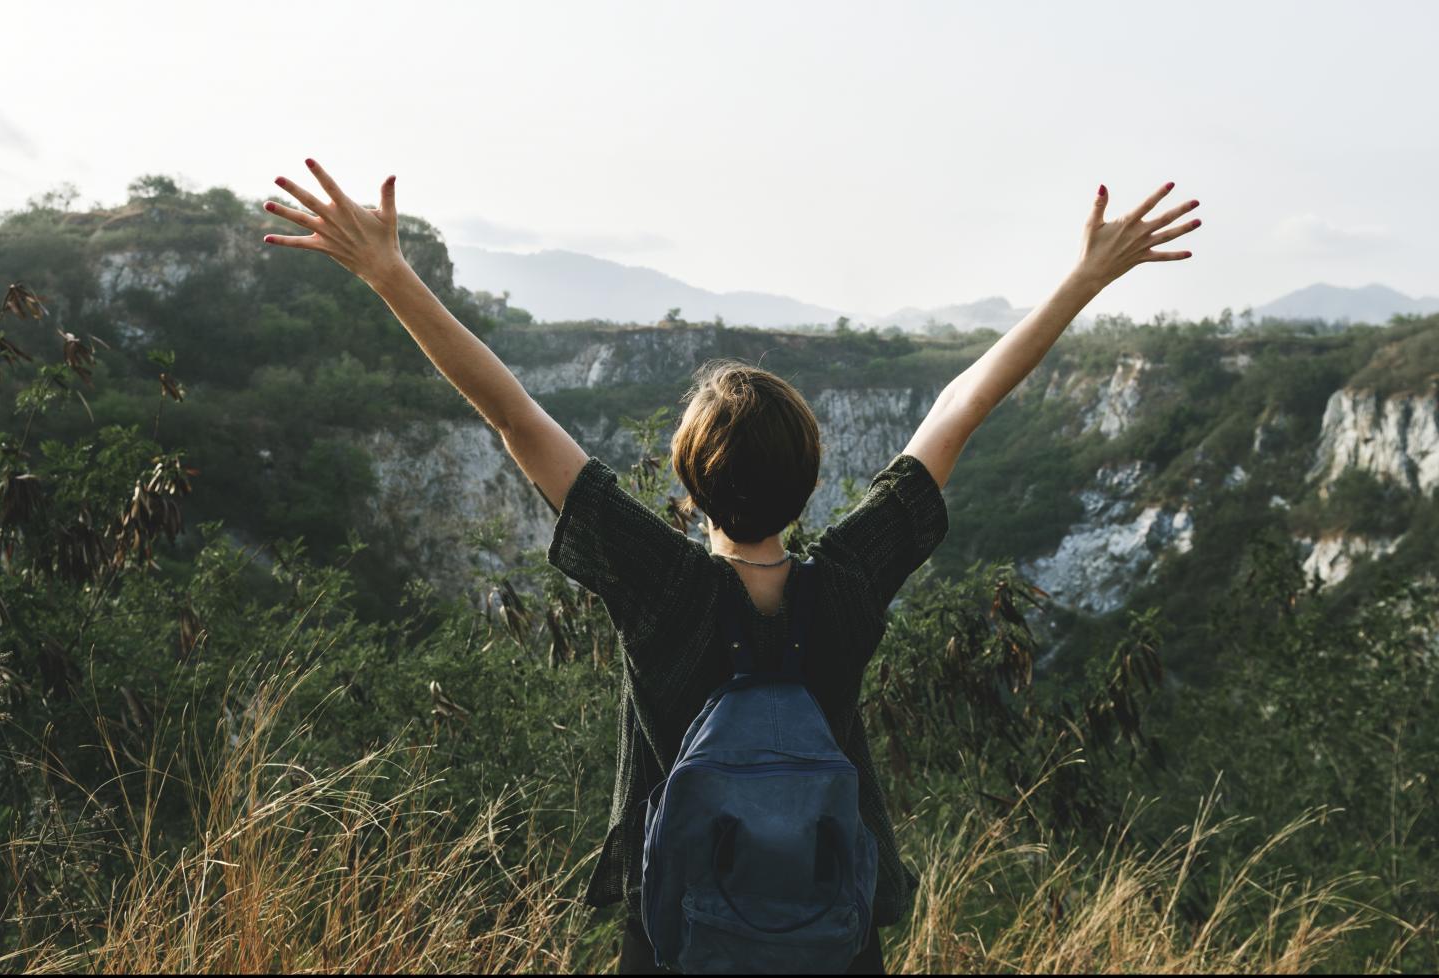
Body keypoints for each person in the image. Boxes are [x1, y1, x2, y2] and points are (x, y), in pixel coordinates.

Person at [261, 161, 1200, 973]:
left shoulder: (660, 588)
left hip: (675, 934)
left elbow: (512, 415)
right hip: (833, 933)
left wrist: (386, 272)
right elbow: (960, 406)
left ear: (689, 483)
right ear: (811, 479)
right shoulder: (848, 584)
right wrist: (1083, 280)